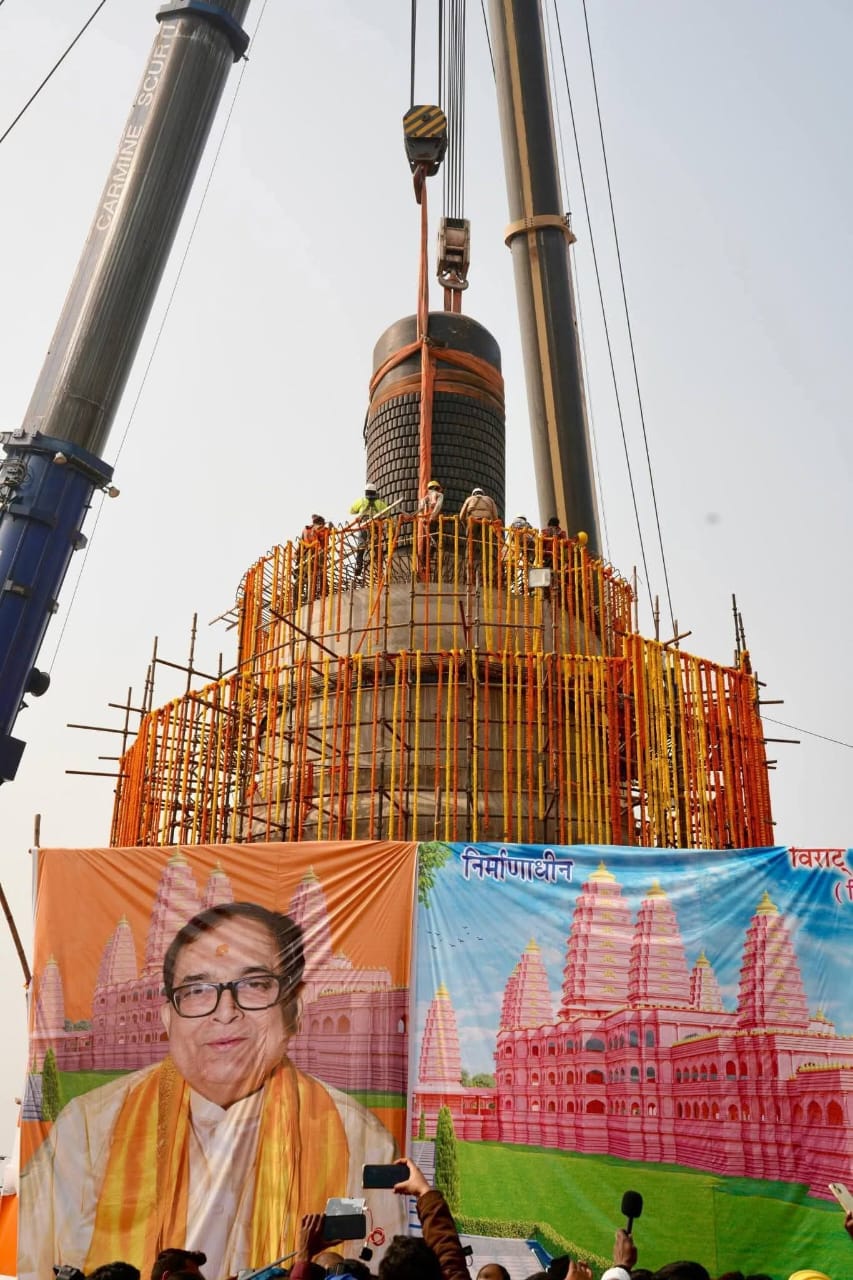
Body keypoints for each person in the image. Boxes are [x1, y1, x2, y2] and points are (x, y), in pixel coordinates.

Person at [20, 902, 405, 1280]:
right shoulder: (86, 1130)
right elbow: (33, 1265)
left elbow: (378, 1261)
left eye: (254, 985)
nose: (225, 1012)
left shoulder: (358, 1139)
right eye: (197, 990)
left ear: (294, 1009)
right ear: (168, 1018)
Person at [349, 484, 388, 580]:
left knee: (361, 546)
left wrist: (360, 511)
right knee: (376, 547)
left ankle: (359, 565)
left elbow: (351, 511)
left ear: (366, 492)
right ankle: (379, 569)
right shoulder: (380, 503)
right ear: (375, 492)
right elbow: (387, 512)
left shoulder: (361, 501)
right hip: (375, 527)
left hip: (364, 526)